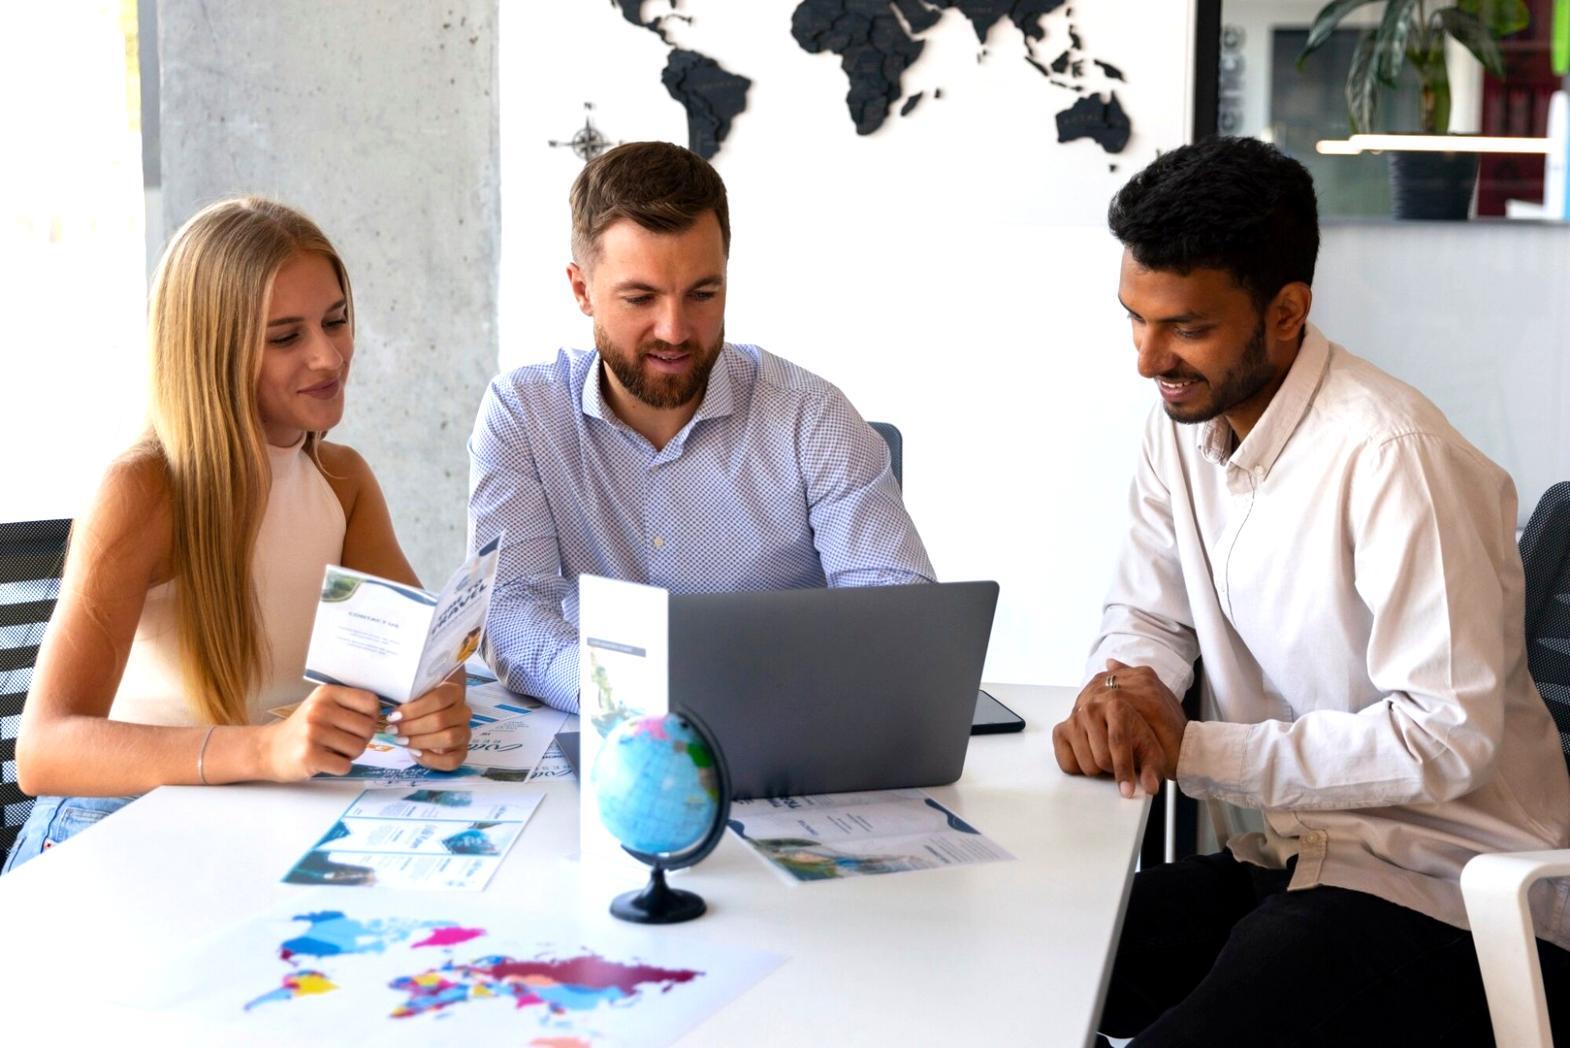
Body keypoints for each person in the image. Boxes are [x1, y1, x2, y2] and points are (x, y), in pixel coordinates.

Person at [1052, 137, 1570, 1043]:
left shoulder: (1395, 458)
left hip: (1449, 898)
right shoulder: (1181, 422)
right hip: (1293, 860)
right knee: (1037, 964)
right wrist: (1119, 695)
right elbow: (1147, 610)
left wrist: (1195, 750)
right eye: (1135, 317)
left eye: (1186, 327)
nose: (1147, 358)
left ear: (1286, 312)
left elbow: (1446, 737)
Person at [5, 199, 471, 873]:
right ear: (210, 351)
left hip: (260, 816)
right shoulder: (146, 491)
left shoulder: (343, 481)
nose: (327, 354)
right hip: (110, 826)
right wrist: (265, 750)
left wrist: (438, 708)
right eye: (285, 337)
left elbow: (418, 669)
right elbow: (44, 751)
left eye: (336, 321)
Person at [468, 141, 934, 711]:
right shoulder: (523, 414)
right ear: (582, 290)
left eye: (702, 294)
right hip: (608, 727)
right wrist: (631, 693)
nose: (675, 329)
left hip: (788, 726)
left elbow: (896, 612)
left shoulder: (812, 415)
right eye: (640, 298)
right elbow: (511, 609)